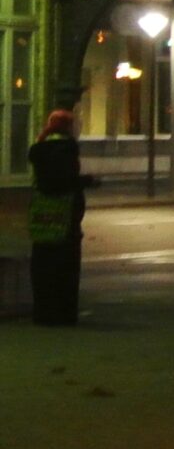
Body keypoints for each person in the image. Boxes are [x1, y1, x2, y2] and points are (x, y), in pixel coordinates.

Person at [27, 109, 93, 326]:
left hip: (43, 218)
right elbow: (65, 181)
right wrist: (86, 182)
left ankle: (42, 313)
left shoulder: (38, 149)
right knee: (65, 270)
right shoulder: (67, 149)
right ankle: (64, 314)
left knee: (43, 267)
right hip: (65, 218)